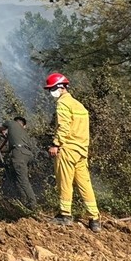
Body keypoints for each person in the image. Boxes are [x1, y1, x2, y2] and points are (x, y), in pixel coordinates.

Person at [44, 73, 101, 232]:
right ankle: (95, 219)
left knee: (64, 182)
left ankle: (65, 215)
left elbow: (64, 126)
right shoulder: (79, 105)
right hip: (81, 151)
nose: (51, 92)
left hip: (67, 149)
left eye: (51, 89)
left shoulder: (63, 103)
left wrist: (56, 144)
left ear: (60, 87)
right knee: (85, 185)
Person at [0, 115, 39, 211]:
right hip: (27, 155)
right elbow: (15, 147)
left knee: (22, 180)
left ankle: (32, 204)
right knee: (17, 178)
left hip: (19, 154)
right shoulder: (24, 134)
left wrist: (3, 131)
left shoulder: (11, 123)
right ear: (24, 126)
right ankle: (23, 201)